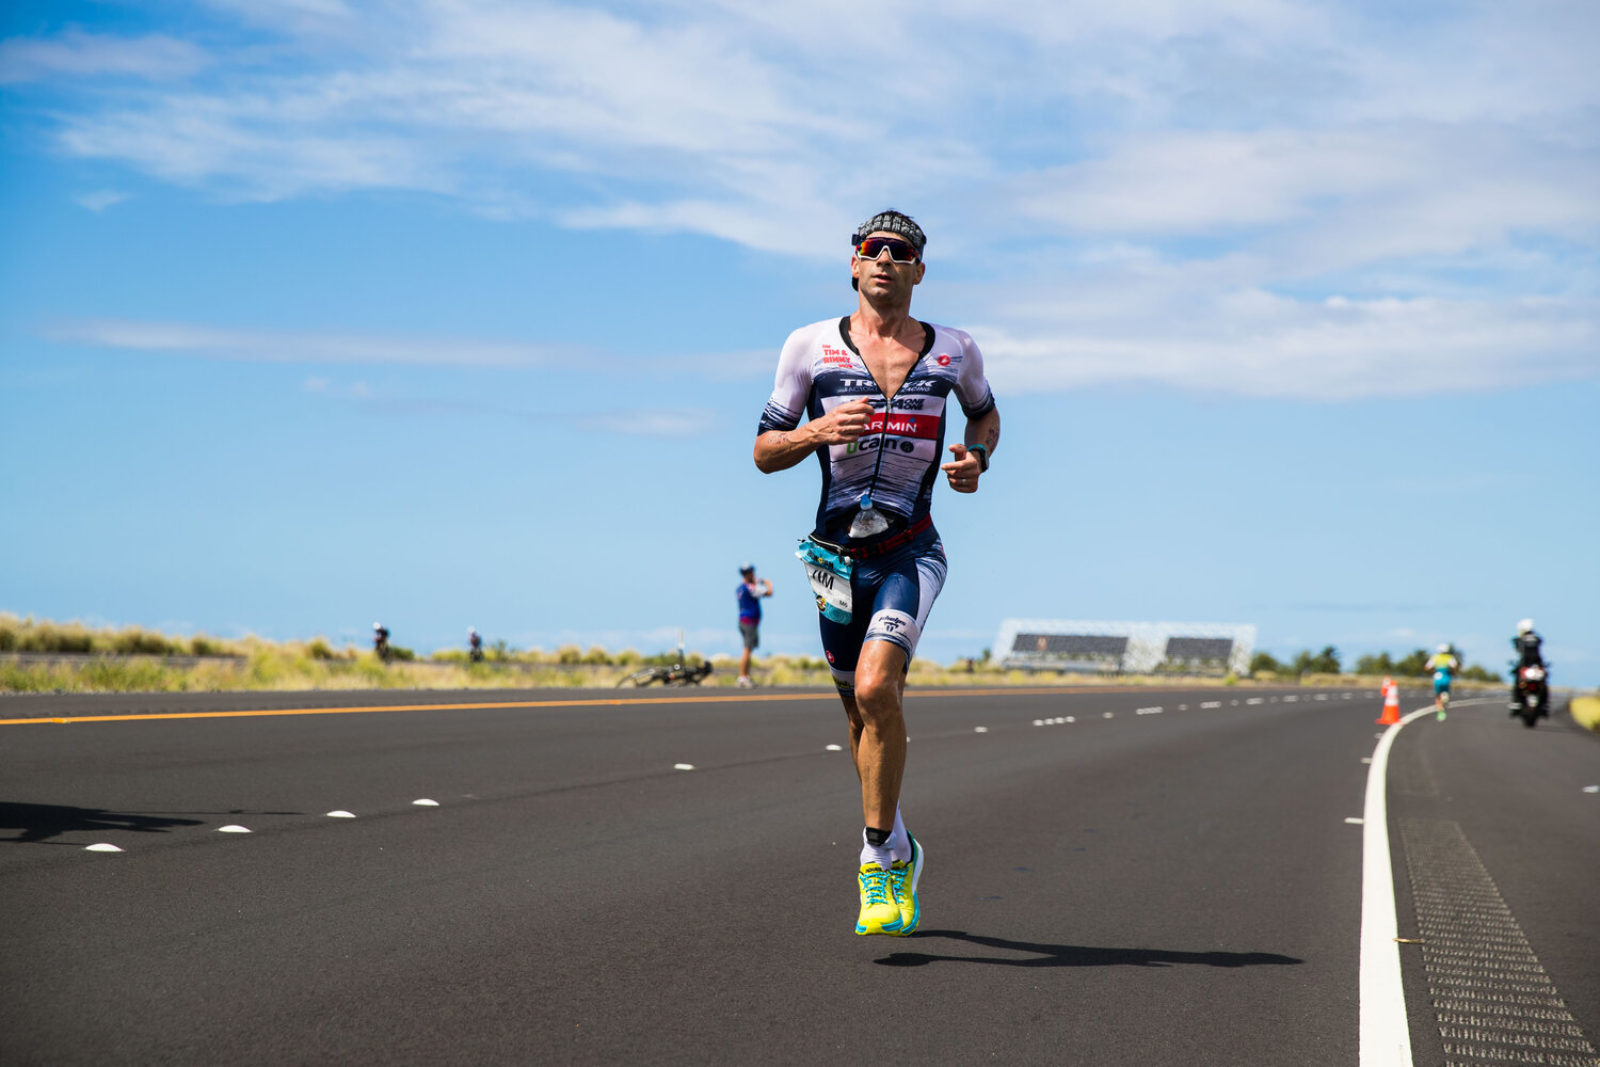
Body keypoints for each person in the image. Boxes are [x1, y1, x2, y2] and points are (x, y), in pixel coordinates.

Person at [753, 209, 1000, 937]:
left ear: (919, 270)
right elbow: (764, 451)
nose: (886, 258)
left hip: (910, 551)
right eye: (873, 248)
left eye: (901, 251)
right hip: (835, 562)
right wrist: (816, 431)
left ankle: (876, 861)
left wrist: (977, 460)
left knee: (875, 687)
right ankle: (898, 842)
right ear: (854, 265)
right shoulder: (810, 346)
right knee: (859, 718)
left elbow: (985, 418)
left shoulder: (954, 349)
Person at [735, 564, 774, 687]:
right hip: (749, 622)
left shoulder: (740, 588)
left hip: (744, 620)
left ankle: (745, 676)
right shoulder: (750, 588)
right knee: (747, 650)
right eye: (751, 572)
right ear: (748, 574)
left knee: (749, 649)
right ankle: (742, 677)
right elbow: (769, 592)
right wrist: (768, 583)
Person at [1509, 618, 1545, 715]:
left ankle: (1516, 702)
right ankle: (1545, 704)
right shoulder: (1537, 638)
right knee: (1543, 684)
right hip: (1537, 667)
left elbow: (1517, 647)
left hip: (1525, 667)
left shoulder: (1520, 639)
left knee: (1518, 682)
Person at [1424, 643, 1458, 720]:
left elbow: (1427, 667)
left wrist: (1433, 669)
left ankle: (1440, 712)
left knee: (1437, 696)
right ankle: (1445, 696)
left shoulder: (1435, 657)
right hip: (1446, 677)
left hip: (1437, 677)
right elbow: (1454, 666)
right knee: (1446, 691)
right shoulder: (1449, 657)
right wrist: (1452, 671)